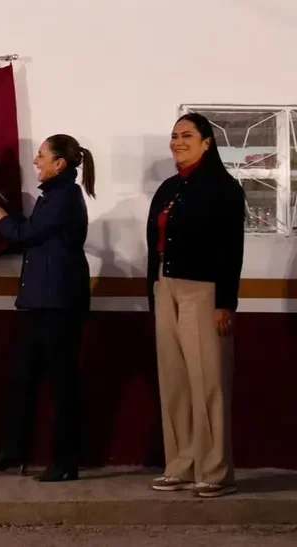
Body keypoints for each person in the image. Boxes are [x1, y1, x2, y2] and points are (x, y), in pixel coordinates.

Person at [0, 134, 95, 482]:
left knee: (62, 385)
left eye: (42, 155)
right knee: (22, 380)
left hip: (58, 305)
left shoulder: (63, 197)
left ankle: (65, 463)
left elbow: (28, 233)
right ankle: (14, 451)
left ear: (60, 163)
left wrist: (1, 219)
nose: (35, 161)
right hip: (41, 303)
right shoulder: (54, 197)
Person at [146, 113, 245, 498]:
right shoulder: (169, 188)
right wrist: (153, 292)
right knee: (174, 382)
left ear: (207, 142)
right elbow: (154, 246)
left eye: (187, 135)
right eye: (173, 135)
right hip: (165, 288)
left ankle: (215, 471)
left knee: (208, 383)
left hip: (203, 293)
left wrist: (225, 304)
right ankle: (182, 466)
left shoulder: (223, 188)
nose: (177, 141)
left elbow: (230, 251)